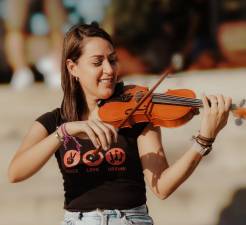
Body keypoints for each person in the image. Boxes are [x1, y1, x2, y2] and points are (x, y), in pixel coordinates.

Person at [8, 23, 232, 225]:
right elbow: (15, 173)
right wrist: (64, 132)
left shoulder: (139, 112)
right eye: (97, 62)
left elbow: (162, 187)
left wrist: (204, 140)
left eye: (112, 59)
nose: (109, 70)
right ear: (73, 68)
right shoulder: (55, 121)